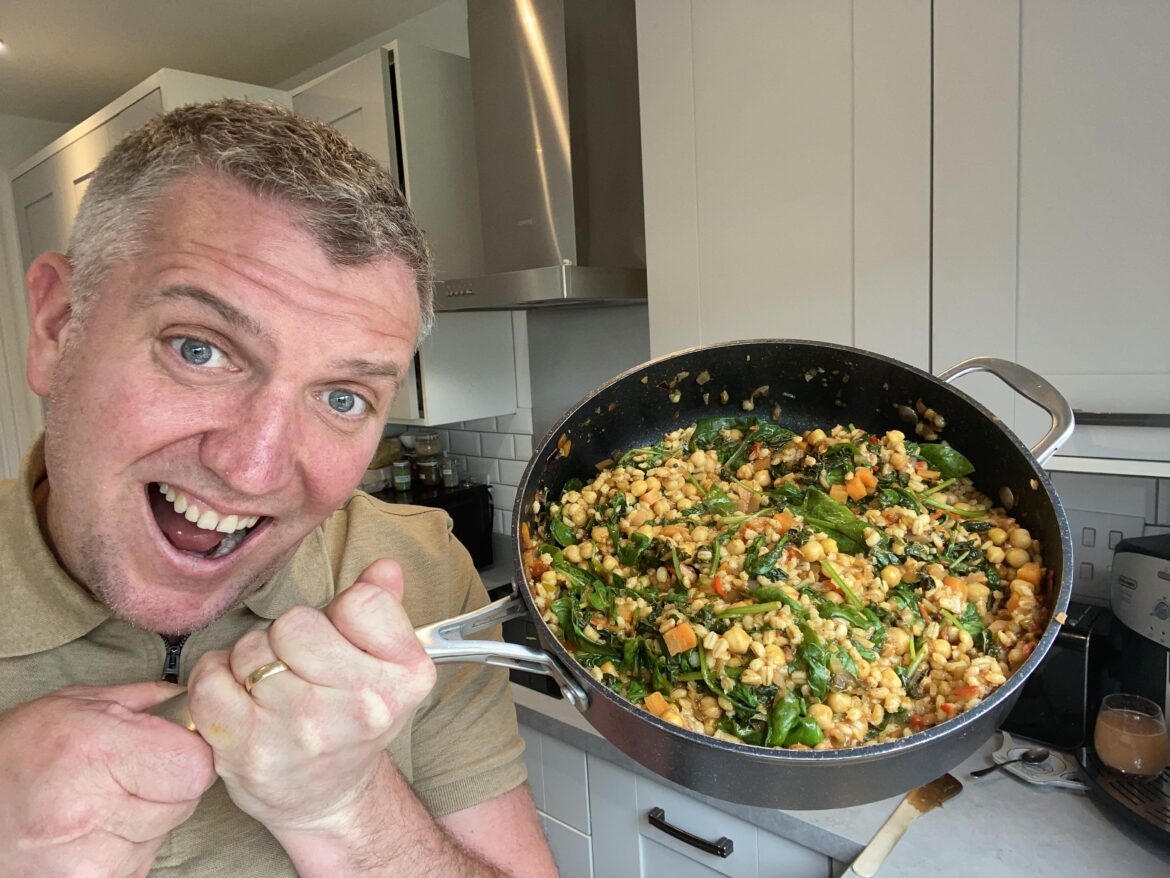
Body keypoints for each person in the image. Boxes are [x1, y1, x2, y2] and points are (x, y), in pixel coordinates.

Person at [0, 98, 558, 877]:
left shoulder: (424, 576)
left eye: (342, 398)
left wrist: (348, 808)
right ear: (58, 328)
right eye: (198, 349)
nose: (253, 469)